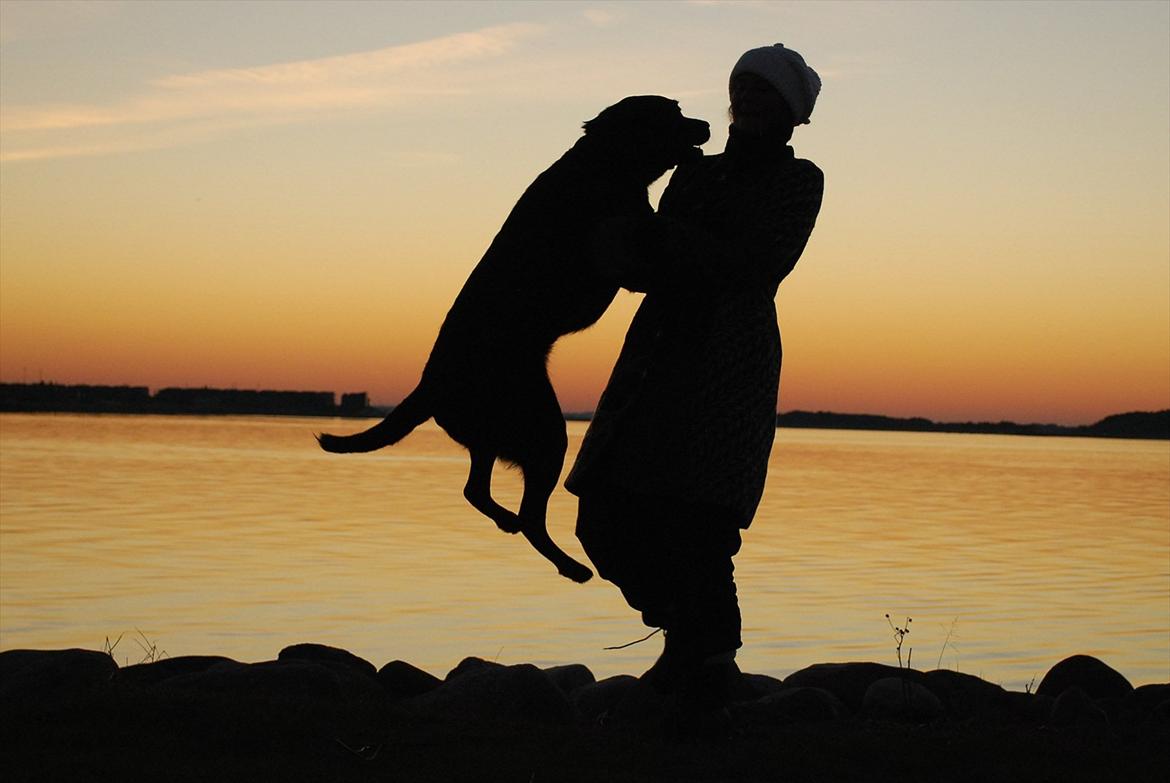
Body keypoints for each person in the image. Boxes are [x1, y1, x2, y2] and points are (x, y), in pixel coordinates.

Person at [565, 44, 825, 714]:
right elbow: (652, 261)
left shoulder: (801, 182)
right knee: (603, 511)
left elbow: (758, 264)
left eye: (765, 92)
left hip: (728, 364)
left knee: (702, 521)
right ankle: (689, 636)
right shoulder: (692, 174)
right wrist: (612, 239)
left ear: (792, 110)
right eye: (742, 88)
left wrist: (669, 243)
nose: (749, 101)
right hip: (656, 354)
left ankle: (706, 662)